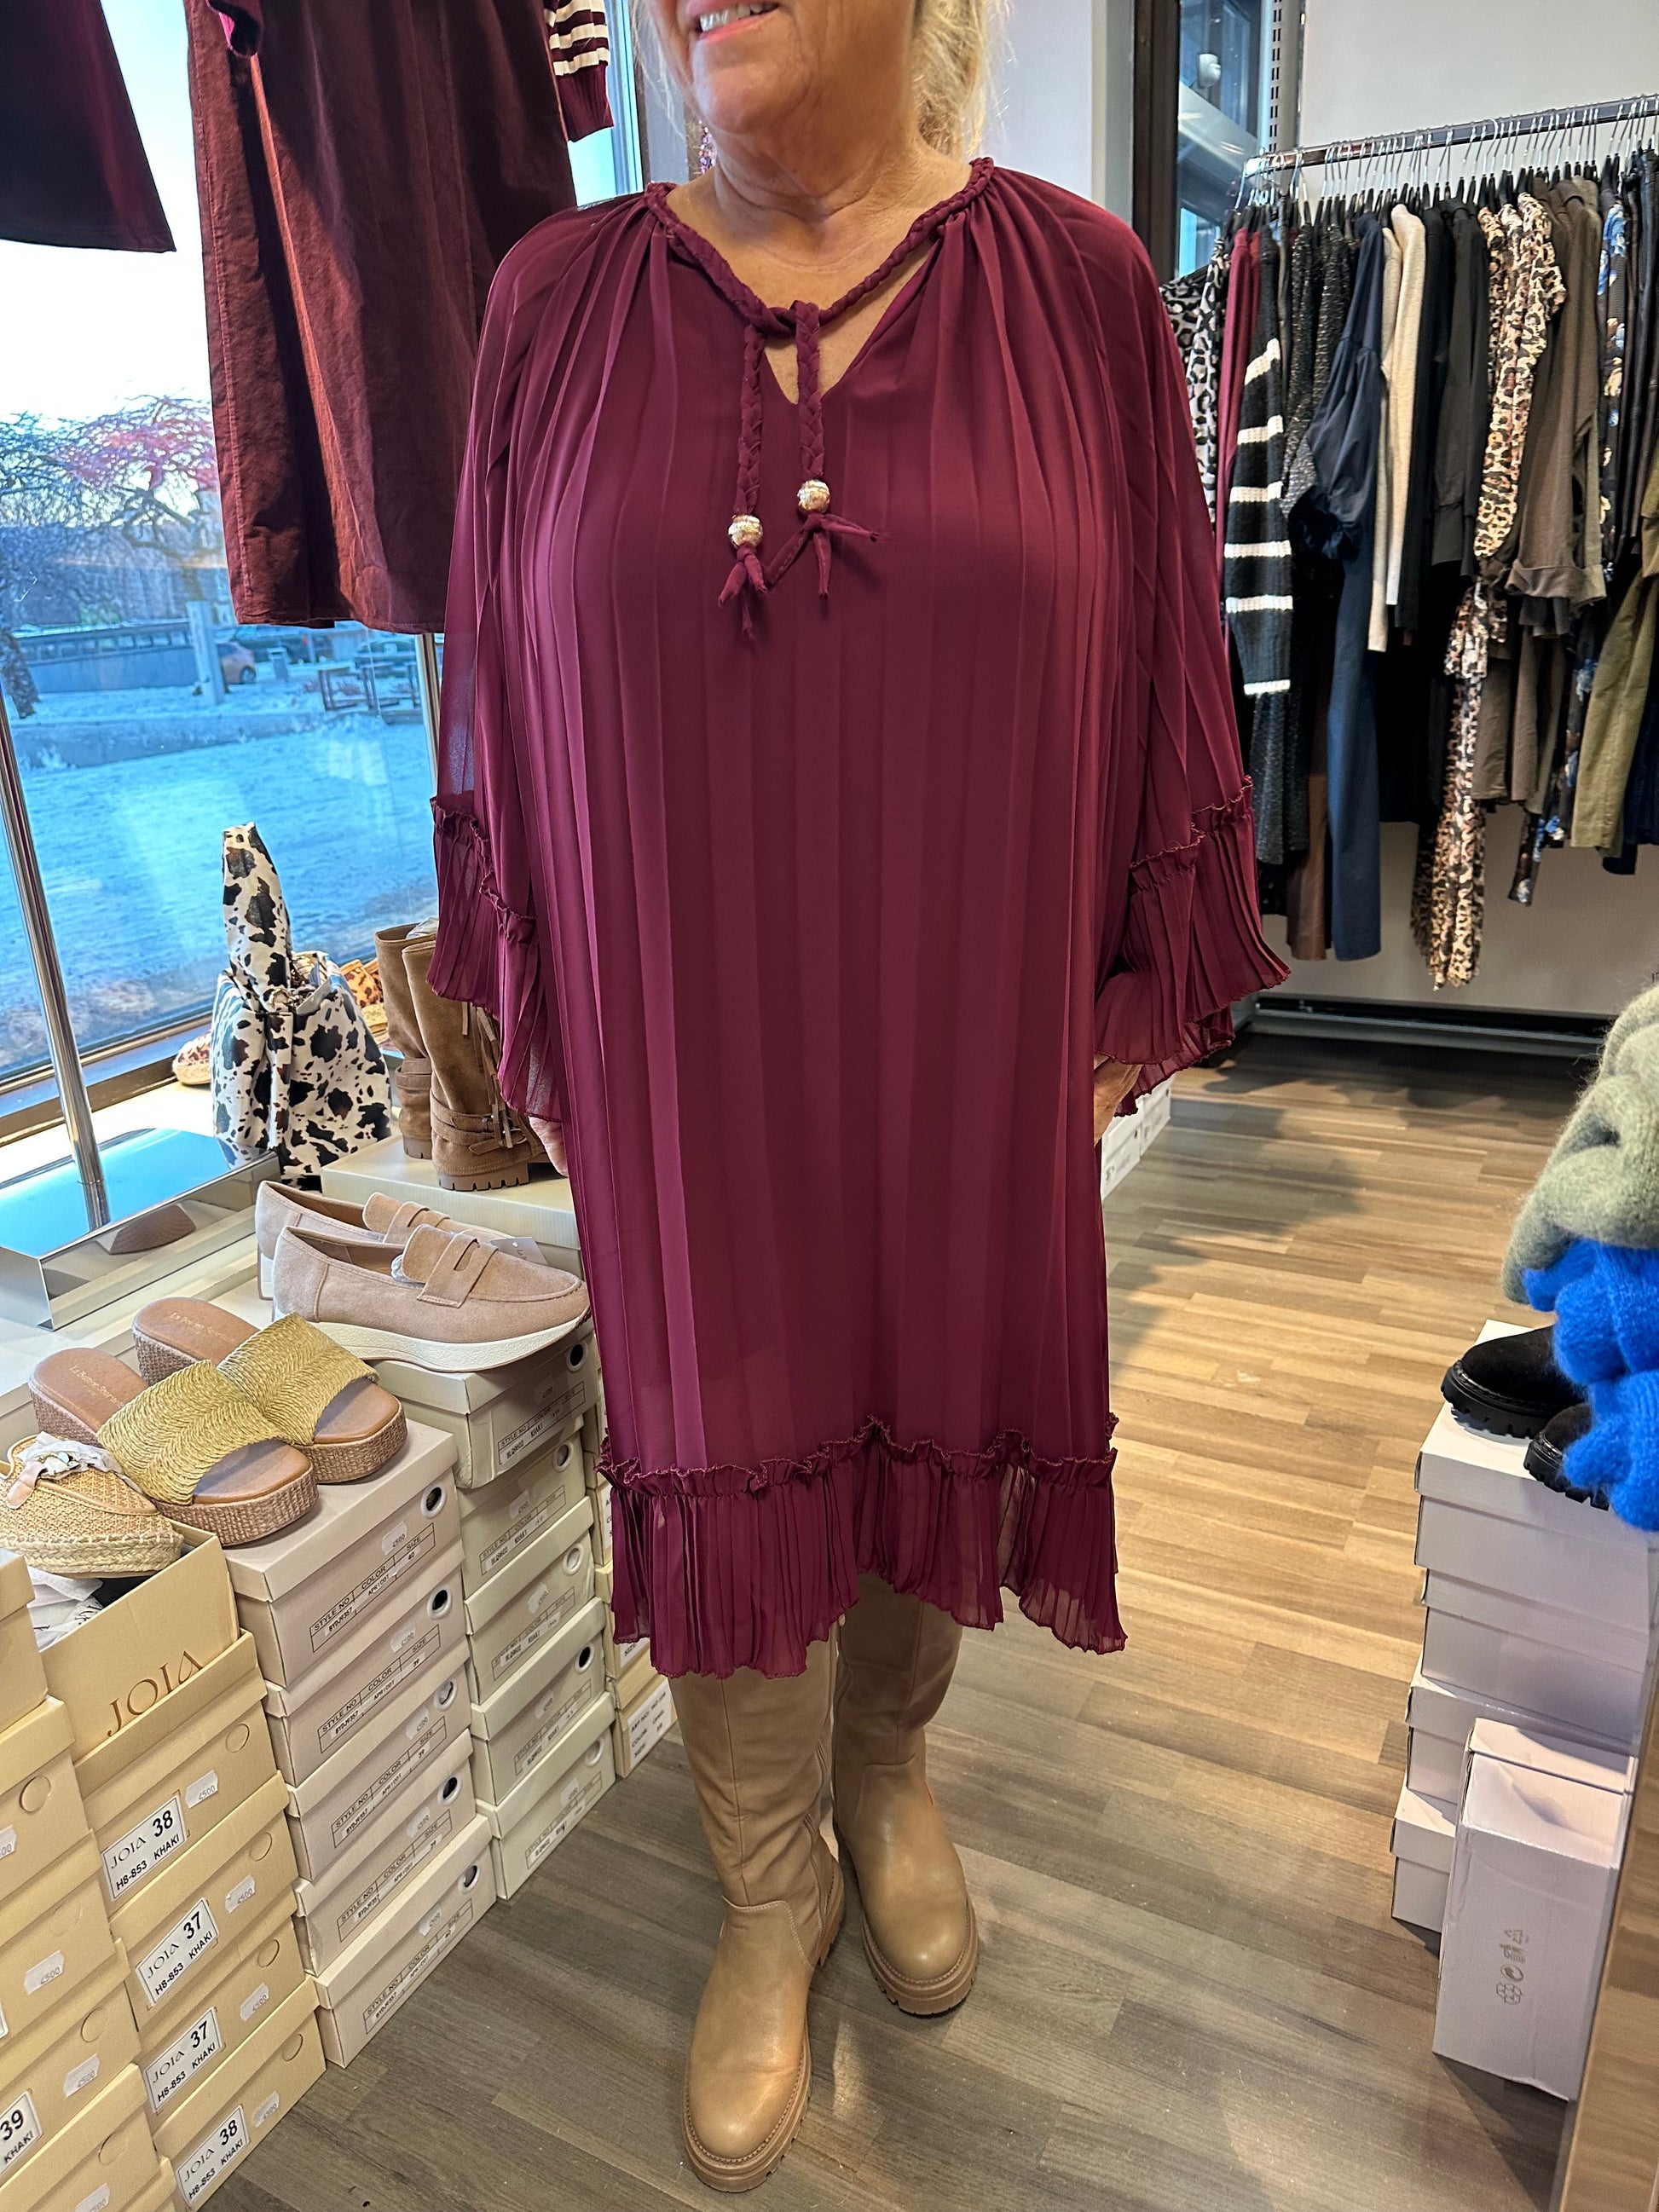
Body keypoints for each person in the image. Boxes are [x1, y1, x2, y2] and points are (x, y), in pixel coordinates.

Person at [429, 0, 1286, 2187]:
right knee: (719, 1427)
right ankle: (767, 1878)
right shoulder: (552, 307)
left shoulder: (1083, 290)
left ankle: (887, 1776)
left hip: (962, 1030)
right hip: (684, 1047)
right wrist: (535, 1001)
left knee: (936, 1385)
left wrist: (1126, 970)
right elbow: (494, 689)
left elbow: (1163, 645)